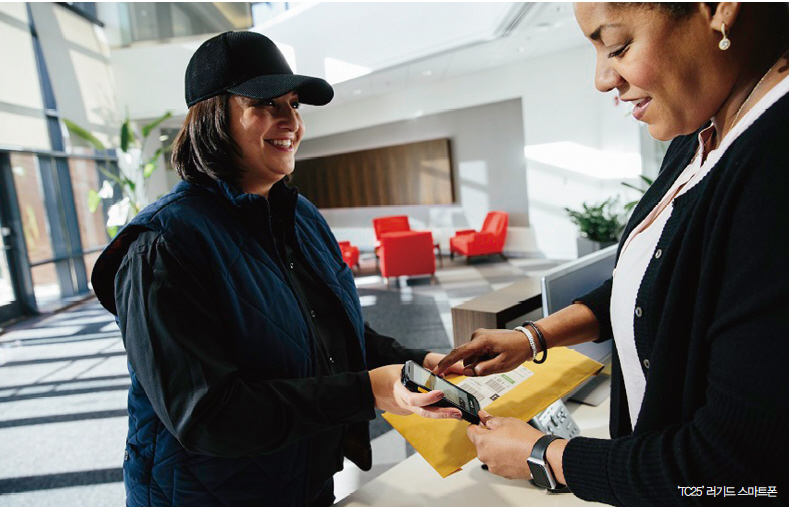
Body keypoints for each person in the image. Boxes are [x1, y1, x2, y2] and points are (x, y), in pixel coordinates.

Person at [435, 3, 789, 505]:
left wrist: (547, 457)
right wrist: (531, 337)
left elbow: (737, 469)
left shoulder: (774, 164)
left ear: (719, 9)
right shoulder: (696, 136)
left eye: (618, 46)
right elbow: (659, 284)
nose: (603, 79)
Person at [92, 31, 463, 507]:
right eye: (266, 104)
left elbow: (334, 334)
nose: (291, 121)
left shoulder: (299, 215)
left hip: (302, 478)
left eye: (294, 104)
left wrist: (420, 362)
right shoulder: (163, 244)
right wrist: (367, 391)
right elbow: (206, 416)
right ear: (212, 117)